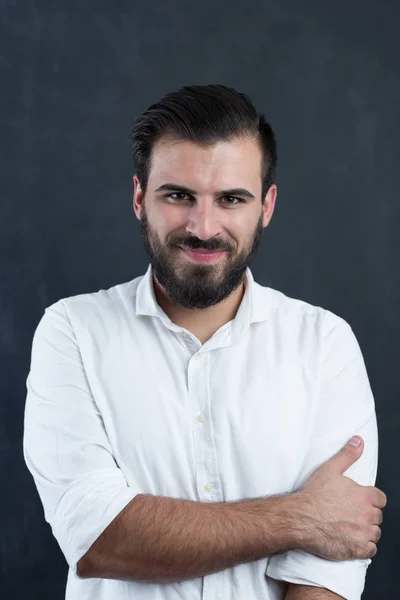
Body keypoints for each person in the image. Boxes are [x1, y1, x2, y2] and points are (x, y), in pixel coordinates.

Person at [23, 84, 386, 600]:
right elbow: (100, 540)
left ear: (267, 206)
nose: (203, 227)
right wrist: (302, 516)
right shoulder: (73, 332)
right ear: (138, 198)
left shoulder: (325, 343)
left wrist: (317, 527)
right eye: (178, 195)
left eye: (232, 199)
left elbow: (328, 568)